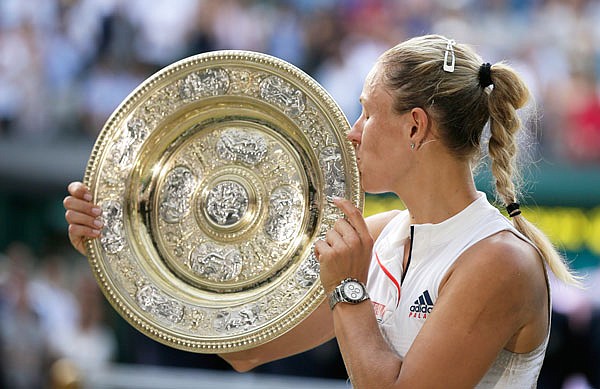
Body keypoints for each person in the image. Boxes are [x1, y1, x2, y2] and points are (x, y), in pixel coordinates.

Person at [64, 34, 580, 387]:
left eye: (367, 112)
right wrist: (121, 243)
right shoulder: (379, 236)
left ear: (415, 127)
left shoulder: (500, 262)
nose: (352, 132)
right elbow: (246, 350)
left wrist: (348, 290)